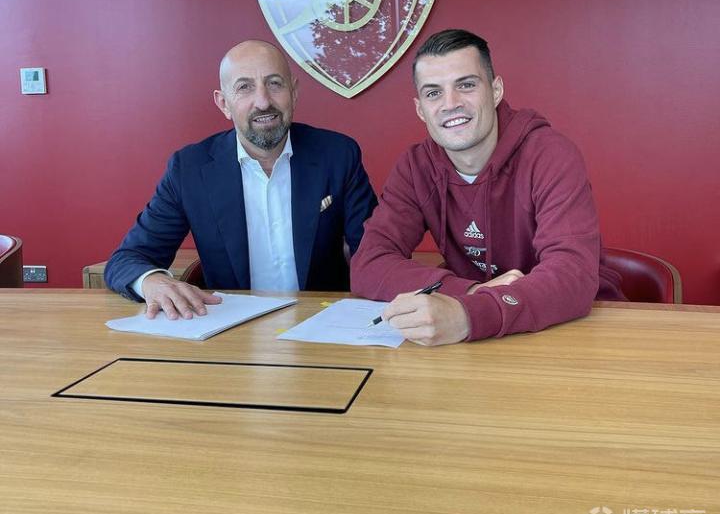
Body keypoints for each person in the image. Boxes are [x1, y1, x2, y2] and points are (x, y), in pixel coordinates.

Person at [351, 29, 624, 346]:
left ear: (495, 91)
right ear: (420, 109)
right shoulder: (416, 167)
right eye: (433, 93)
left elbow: (572, 275)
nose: (450, 103)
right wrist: (470, 293)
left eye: (466, 85)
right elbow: (368, 263)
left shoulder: (550, 154)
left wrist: (469, 315)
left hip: (576, 329)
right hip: (483, 338)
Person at [105, 40, 377, 319]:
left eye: (274, 84)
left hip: (321, 323)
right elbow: (126, 260)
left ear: (294, 93)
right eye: (245, 87)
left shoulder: (338, 155)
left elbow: (376, 252)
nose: (263, 101)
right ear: (224, 103)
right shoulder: (189, 169)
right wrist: (152, 281)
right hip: (232, 329)